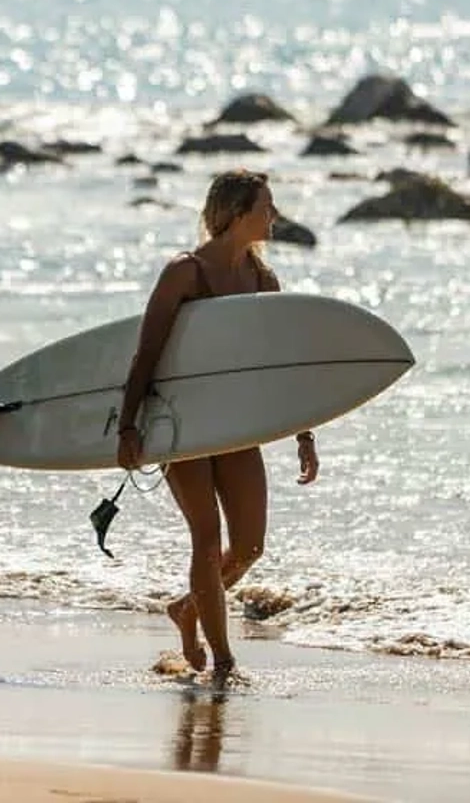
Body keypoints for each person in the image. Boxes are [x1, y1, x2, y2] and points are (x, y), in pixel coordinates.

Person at [115, 169, 319, 683]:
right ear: (236, 213)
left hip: (232, 426)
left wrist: (305, 433)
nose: (273, 216)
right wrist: (128, 427)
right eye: (265, 207)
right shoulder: (184, 274)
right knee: (206, 540)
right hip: (181, 423)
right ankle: (223, 660)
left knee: (250, 545)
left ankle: (189, 608)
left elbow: (282, 366)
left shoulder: (263, 281)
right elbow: (147, 353)